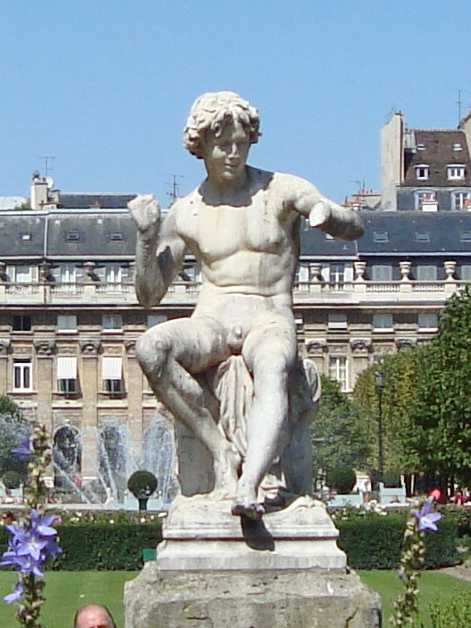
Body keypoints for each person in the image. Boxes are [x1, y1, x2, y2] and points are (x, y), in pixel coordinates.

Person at [128, 90, 363, 513]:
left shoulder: (281, 190)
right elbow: (149, 294)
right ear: (199, 146)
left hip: (268, 316)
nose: (233, 154)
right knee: (150, 348)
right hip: (213, 321)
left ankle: (250, 485)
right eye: (223, 145)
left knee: (273, 365)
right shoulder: (186, 212)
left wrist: (329, 216)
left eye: (241, 143)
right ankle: (221, 451)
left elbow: (355, 225)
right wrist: (146, 240)